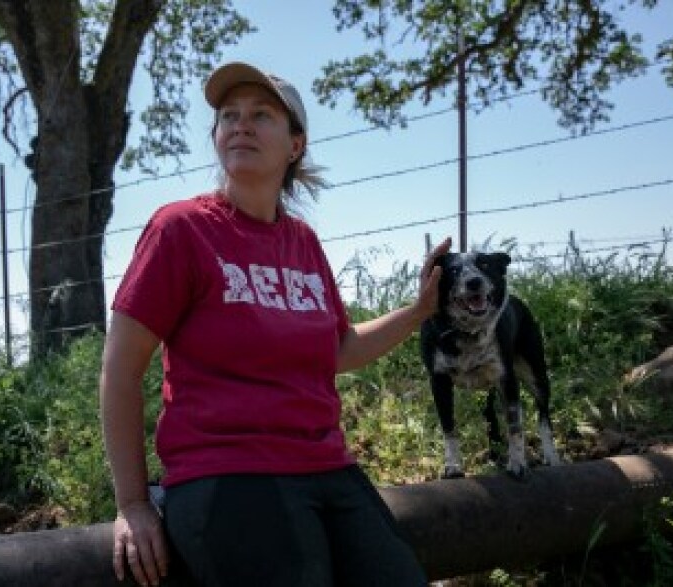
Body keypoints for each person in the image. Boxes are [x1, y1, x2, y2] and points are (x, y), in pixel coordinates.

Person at [99, 60, 451, 587]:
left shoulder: (302, 242)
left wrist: (420, 311)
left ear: (295, 145)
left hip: (327, 468)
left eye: (261, 115)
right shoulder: (182, 230)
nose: (240, 124)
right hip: (227, 475)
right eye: (228, 115)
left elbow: (339, 350)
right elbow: (120, 371)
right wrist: (132, 503)